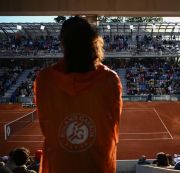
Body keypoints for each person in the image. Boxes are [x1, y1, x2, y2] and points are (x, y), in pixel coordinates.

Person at [34, 16, 123, 173]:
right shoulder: (110, 79)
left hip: (59, 165)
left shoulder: (45, 79)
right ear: (94, 41)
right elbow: (112, 124)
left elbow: (46, 122)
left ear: (63, 43)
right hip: (97, 165)